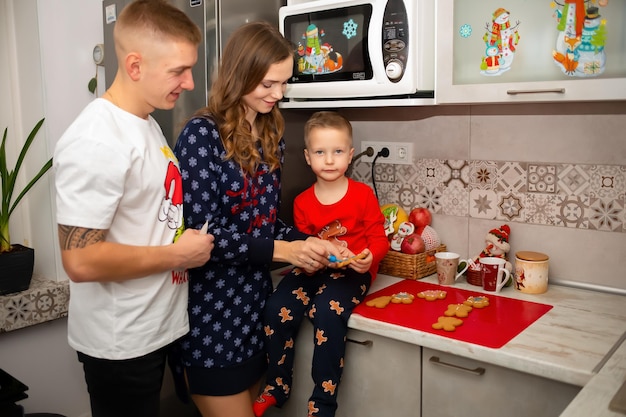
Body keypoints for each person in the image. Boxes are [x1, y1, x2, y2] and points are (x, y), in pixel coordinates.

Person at [171, 21, 347, 417]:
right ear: (240, 73)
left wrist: (307, 240)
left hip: (255, 310)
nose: (277, 94)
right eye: (268, 84)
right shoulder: (202, 135)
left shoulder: (271, 133)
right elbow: (205, 233)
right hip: (210, 318)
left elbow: (263, 221)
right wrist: (286, 249)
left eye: (284, 84)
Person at [53, 1, 214, 416]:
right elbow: (81, 260)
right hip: (120, 344)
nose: (190, 82)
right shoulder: (96, 139)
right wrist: (179, 254)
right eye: (178, 70)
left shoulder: (145, 123)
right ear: (135, 65)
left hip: (155, 328)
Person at [253, 111, 390, 417]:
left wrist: (370, 257)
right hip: (313, 271)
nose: (329, 160)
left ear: (350, 155)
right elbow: (305, 245)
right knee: (276, 307)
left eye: (337, 152)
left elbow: (380, 240)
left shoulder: (363, 195)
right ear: (307, 156)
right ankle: (277, 386)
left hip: (353, 273)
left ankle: (322, 404)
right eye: (320, 152)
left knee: (327, 310)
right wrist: (311, 263)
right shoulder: (302, 201)